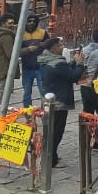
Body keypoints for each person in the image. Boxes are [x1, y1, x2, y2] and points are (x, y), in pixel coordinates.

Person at [37, 38, 85, 168]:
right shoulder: (58, 63)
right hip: (59, 101)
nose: (62, 47)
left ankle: (51, 156)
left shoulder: (46, 60)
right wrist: (80, 64)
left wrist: (74, 62)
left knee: (51, 131)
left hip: (48, 100)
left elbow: (65, 73)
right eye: (60, 45)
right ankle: (52, 160)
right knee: (56, 131)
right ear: (53, 48)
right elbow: (73, 76)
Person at [19, 15, 48, 107]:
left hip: (41, 66)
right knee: (27, 92)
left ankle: (45, 113)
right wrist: (28, 49)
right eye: (29, 21)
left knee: (44, 91)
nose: (32, 23)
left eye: (34, 21)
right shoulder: (20, 34)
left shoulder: (43, 33)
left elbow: (49, 46)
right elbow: (16, 51)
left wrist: (41, 46)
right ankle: (28, 114)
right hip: (26, 67)